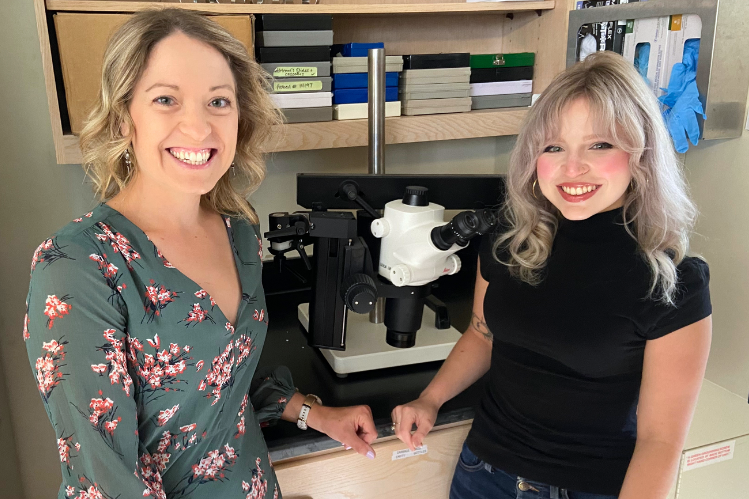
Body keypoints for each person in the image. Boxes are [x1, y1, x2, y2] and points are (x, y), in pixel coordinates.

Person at [24, 9, 377, 499]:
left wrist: (311, 412)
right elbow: (103, 482)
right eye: (166, 99)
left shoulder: (240, 231)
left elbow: (225, 381)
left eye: (218, 101)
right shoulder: (78, 266)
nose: (198, 127)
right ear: (126, 117)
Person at [391, 51, 712, 499]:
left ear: (640, 154)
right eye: (553, 146)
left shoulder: (673, 282)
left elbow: (660, 442)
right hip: (482, 474)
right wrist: (430, 398)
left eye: (600, 145)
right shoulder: (510, 239)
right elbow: (483, 334)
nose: (572, 167)